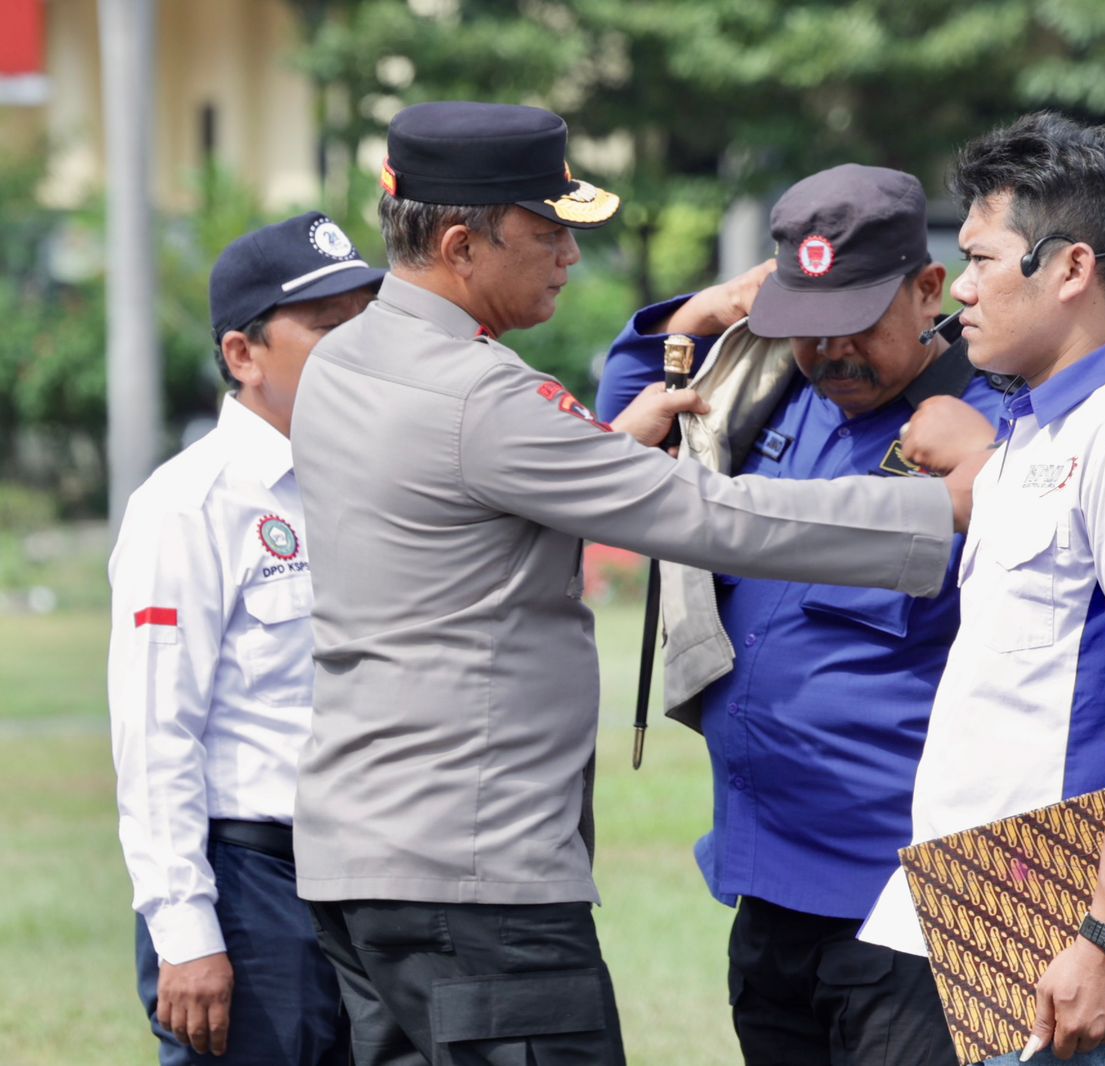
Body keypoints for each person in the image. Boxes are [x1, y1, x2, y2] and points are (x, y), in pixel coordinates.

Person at [287, 102, 979, 1066]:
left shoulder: (345, 359)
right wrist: (946, 508)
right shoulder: (483, 398)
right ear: (459, 243)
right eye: (548, 231)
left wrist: (620, 431)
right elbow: (711, 515)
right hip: (477, 880)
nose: (569, 256)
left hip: (360, 860)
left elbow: (472, 501)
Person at [595, 163, 1007, 1066]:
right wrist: (705, 311)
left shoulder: (993, 429)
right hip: (766, 889)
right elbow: (624, 416)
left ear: (927, 289)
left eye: (851, 324)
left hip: (914, 909)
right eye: (803, 329)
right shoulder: (779, 389)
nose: (828, 355)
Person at [859, 112, 1105, 1066]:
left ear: (1069, 270)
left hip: (1076, 928)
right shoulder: (1037, 432)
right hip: (998, 907)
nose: (961, 288)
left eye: (984, 258)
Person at [107, 212, 383, 1063]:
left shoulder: (371, 477)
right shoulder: (189, 503)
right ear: (243, 355)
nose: (359, 350)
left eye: (367, 325)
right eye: (329, 331)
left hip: (373, 884)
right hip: (249, 885)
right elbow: (156, 733)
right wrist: (187, 931)